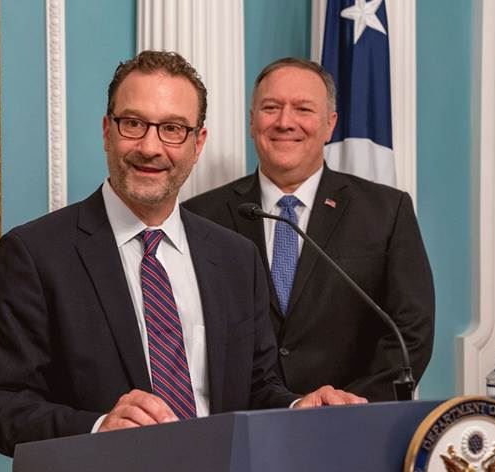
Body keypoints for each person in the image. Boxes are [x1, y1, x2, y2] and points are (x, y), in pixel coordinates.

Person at [0, 51, 365, 457]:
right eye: (133, 123)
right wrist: (97, 427)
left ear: (198, 144)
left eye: (173, 129)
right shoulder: (36, 254)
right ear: (107, 131)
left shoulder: (235, 257)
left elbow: (257, 387)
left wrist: (299, 408)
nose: (150, 147)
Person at [184, 57, 435, 402]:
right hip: (240, 420)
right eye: (271, 108)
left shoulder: (386, 212)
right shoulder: (200, 216)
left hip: (351, 418)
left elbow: (411, 330)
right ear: (252, 121)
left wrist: (347, 407)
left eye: (303, 109)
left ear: (330, 124)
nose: (285, 122)